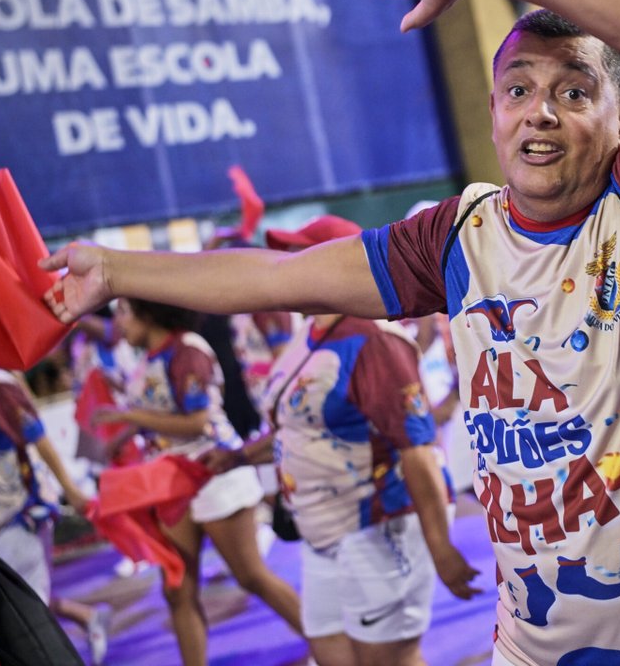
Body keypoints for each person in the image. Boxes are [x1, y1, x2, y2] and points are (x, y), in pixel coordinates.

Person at [41, 0, 620, 666]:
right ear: (494, 111)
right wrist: (113, 271)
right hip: (536, 651)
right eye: (518, 89)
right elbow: (277, 275)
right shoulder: (455, 237)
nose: (538, 110)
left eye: (574, 92)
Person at [202, 214, 479, 666]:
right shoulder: (306, 335)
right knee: (331, 652)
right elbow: (298, 427)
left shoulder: (374, 341)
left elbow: (417, 450)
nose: (285, 266)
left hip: (378, 527)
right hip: (323, 532)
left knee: (390, 659)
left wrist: (440, 544)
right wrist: (238, 459)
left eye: (300, 255)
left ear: (338, 262)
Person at [97, 299, 301, 666]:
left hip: (215, 472)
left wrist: (129, 415)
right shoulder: (146, 359)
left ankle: (332, 648)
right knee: (177, 589)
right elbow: (161, 414)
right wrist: (123, 432)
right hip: (171, 482)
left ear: (149, 311)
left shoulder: (189, 349)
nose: (118, 324)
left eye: (124, 313)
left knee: (251, 576)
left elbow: (198, 421)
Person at [0, 367, 110, 664]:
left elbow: (37, 436)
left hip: (22, 512)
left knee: (21, 616)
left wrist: (70, 489)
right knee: (14, 598)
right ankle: (88, 616)